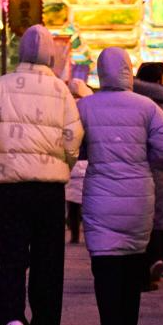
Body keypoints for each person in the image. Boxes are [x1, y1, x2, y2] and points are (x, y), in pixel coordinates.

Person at [0, 25, 83, 325]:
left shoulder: (2, 85)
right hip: (49, 190)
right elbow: (73, 136)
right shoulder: (61, 90)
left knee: (11, 256)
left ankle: (12, 320)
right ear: (50, 54)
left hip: (11, 187)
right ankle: (46, 324)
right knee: (48, 260)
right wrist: (63, 160)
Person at [78, 47, 163, 325]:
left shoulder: (85, 106)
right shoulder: (147, 107)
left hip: (99, 198)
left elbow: (68, 147)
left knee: (105, 269)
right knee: (133, 270)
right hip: (138, 199)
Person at [133, 62, 163, 291]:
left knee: (141, 217)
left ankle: (149, 262)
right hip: (160, 166)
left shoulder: (130, 101)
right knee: (162, 216)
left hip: (136, 164)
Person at [66, 78, 93, 245]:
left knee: (72, 203)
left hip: (71, 160)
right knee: (89, 202)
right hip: (88, 159)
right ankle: (90, 234)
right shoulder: (90, 108)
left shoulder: (64, 106)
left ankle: (74, 234)